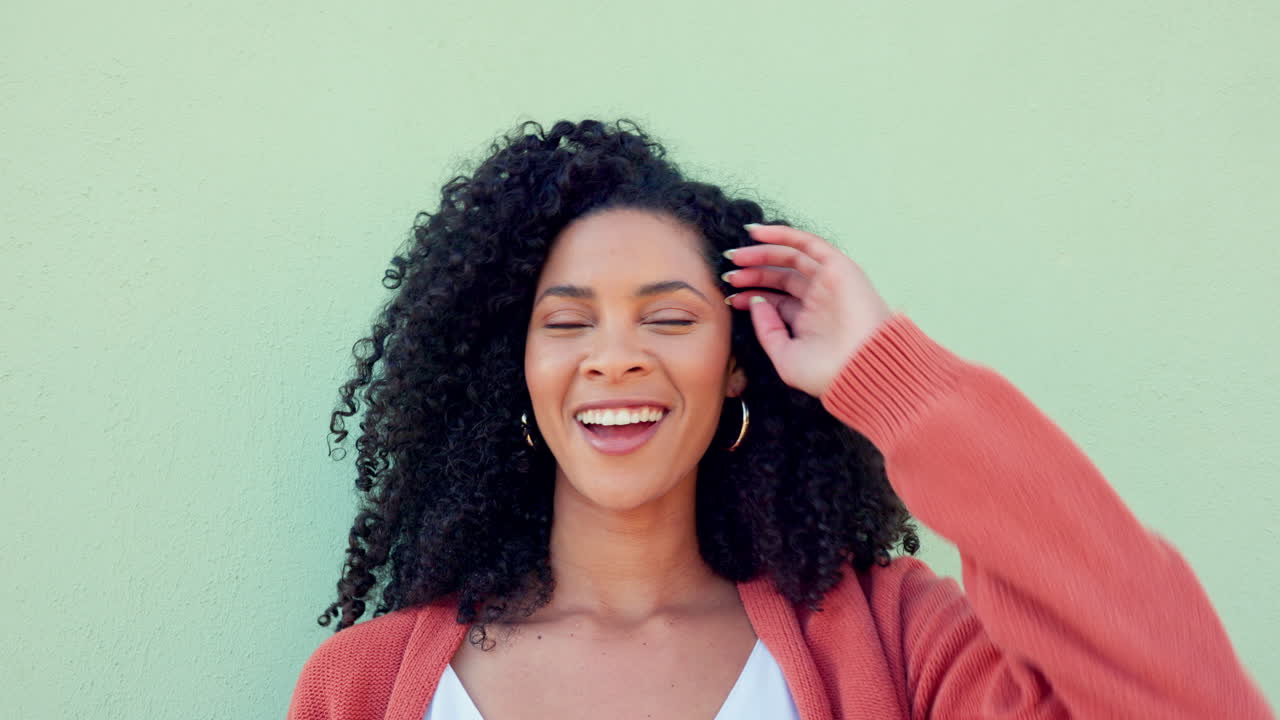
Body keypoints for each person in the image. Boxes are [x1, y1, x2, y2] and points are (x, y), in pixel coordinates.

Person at [287, 119, 1271, 720]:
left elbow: (1187, 703)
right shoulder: (363, 688)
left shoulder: (891, 644)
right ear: (519, 371)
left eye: (669, 318)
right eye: (567, 321)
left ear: (734, 371)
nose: (616, 354)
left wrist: (892, 381)